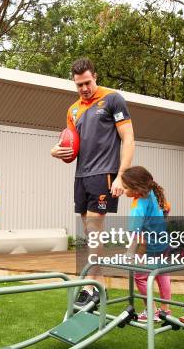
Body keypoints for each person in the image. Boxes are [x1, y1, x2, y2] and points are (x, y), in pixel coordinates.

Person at [50, 58, 135, 306]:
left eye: (87, 82)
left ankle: (90, 286)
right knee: (89, 232)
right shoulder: (73, 110)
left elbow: (128, 138)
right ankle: (98, 286)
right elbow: (70, 147)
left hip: (104, 173)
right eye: (79, 85)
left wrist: (122, 175)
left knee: (95, 231)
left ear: (95, 76)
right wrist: (55, 151)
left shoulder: (113, 99)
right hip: (81, 176)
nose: (84, 88)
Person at [121, 166, 172, 322]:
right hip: (162, 243)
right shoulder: (154, 193)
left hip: (147, 247)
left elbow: (135, 233)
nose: (123, 191)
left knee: (141, 277)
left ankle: (152, 311)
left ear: (137, 189)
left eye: (125, 188)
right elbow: (167, 208)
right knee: (162, 274)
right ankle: (165, 310)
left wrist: (129, 254)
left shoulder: (138, 204)